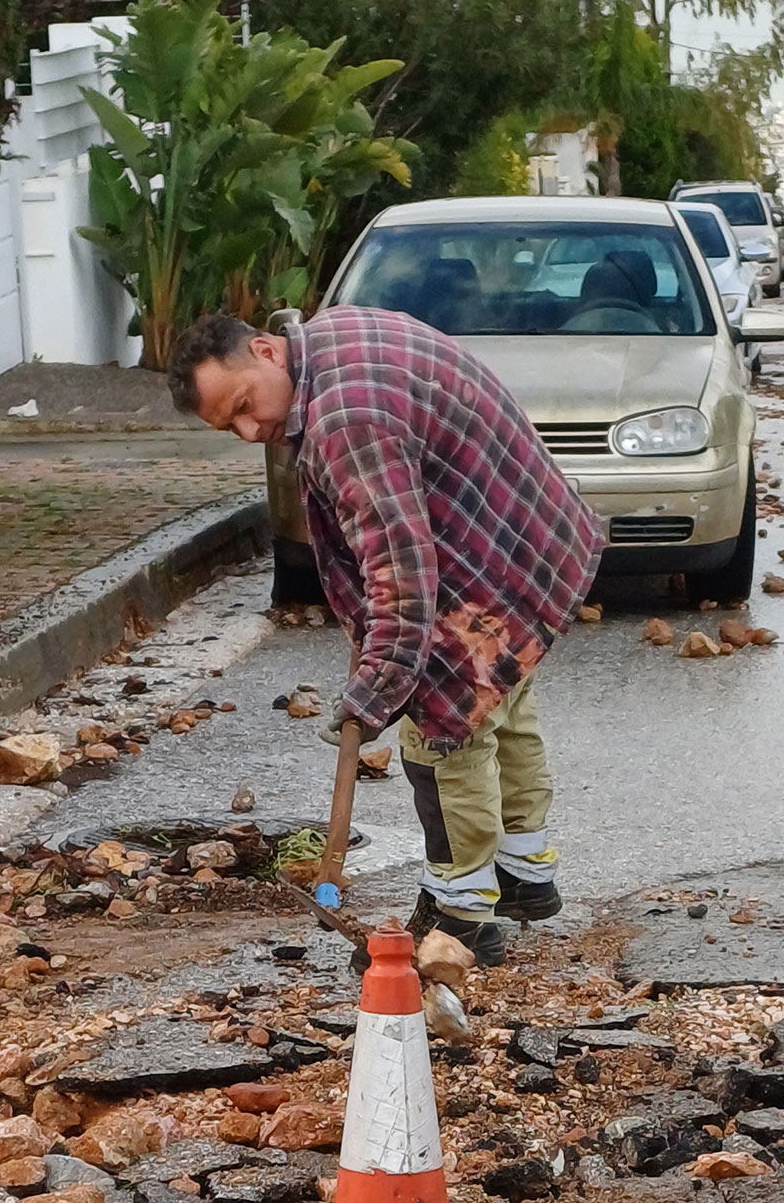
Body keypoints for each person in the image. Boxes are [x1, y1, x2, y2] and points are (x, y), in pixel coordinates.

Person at [167, 304, 604, 965]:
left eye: (244, 405)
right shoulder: (330, 338)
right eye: (229, 425)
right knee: (504, 703)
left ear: (265, 352)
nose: (251, 430)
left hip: (483, 561)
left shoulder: (346, 421)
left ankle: (462, 917)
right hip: (520, 538)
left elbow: (402, 577)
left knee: (440, 733)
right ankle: (524, 873)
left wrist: (375, 694)